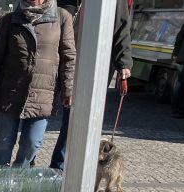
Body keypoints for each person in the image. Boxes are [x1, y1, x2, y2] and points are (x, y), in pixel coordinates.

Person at [0, 0, 76, 167]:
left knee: (32, 143)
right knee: (3, 145)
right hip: (9, 93)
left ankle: (18, 180)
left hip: (43, 94)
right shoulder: (10, 20)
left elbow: (69, 57)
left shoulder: (62, 17)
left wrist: (68, 90)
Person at [49, 0, 133, 170]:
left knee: (76, 116)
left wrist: (124, 62)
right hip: (58, 61)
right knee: (43, 114)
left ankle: (64, 167)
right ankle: (51, 166)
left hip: (94, 63)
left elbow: (120, 28)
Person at [173, 16, 184, 118]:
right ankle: (181, 110)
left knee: (181, 84)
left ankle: (176, 109)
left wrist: (176, 53)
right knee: (182, 85)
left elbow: (180, 36)